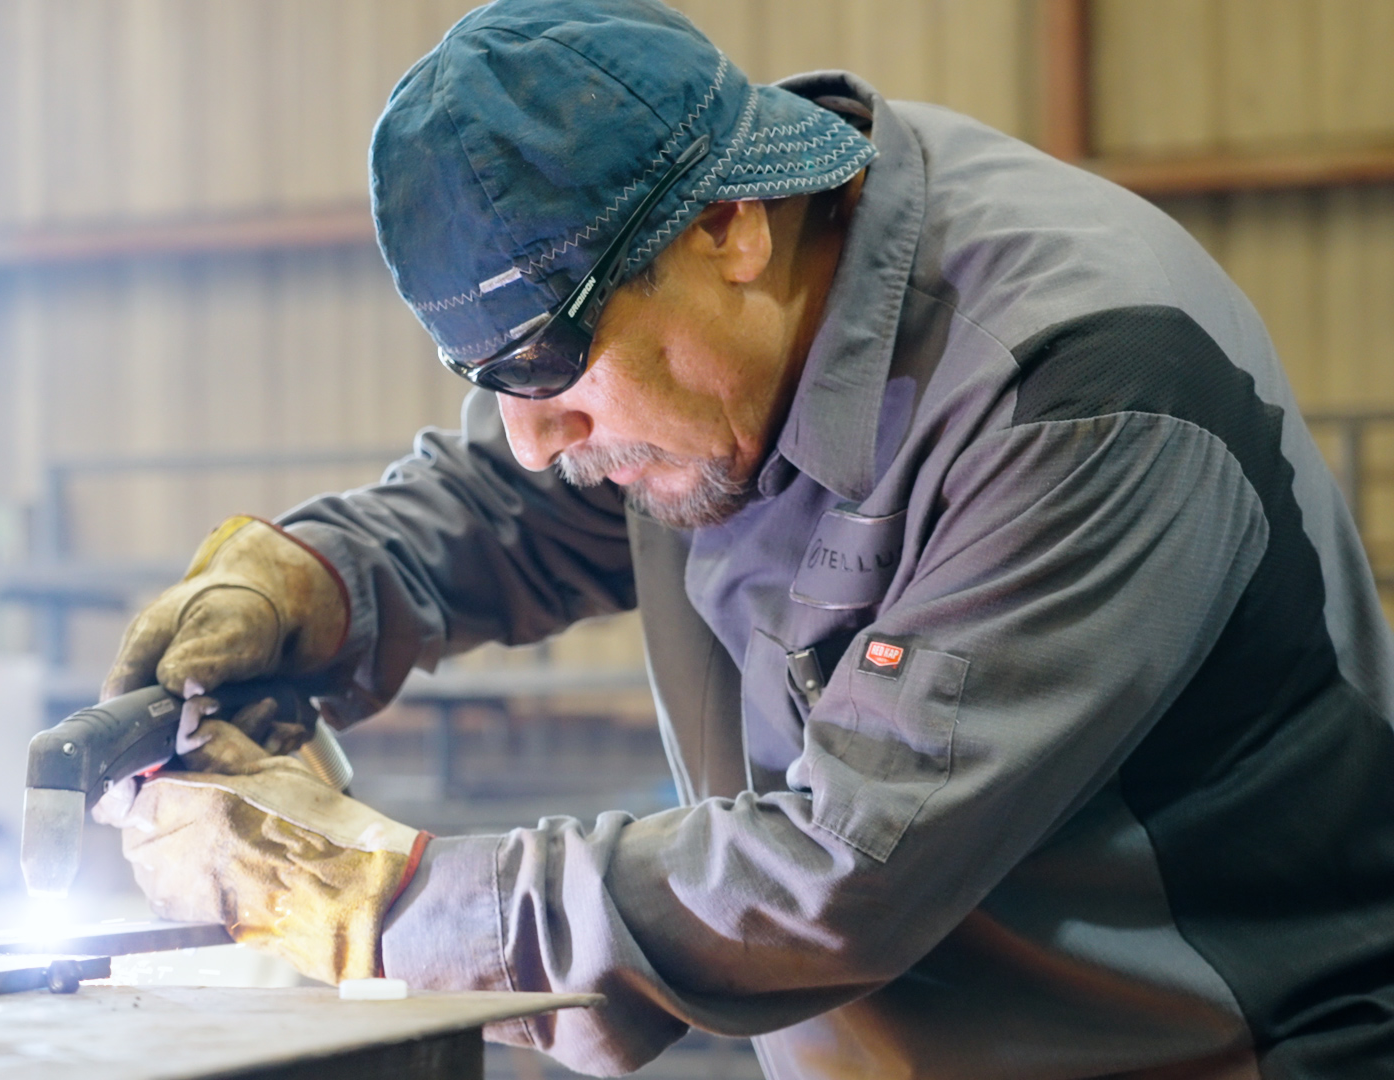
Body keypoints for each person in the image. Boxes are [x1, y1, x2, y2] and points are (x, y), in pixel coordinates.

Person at [103, 1, 1394, 1075]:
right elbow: (528, 493)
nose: (534, 435)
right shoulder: (728, 327)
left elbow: (840, 873)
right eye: (490, 377)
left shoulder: (1080, 395)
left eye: (553, 366)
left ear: (729, 225)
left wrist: (368, 899)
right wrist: (322, 578)